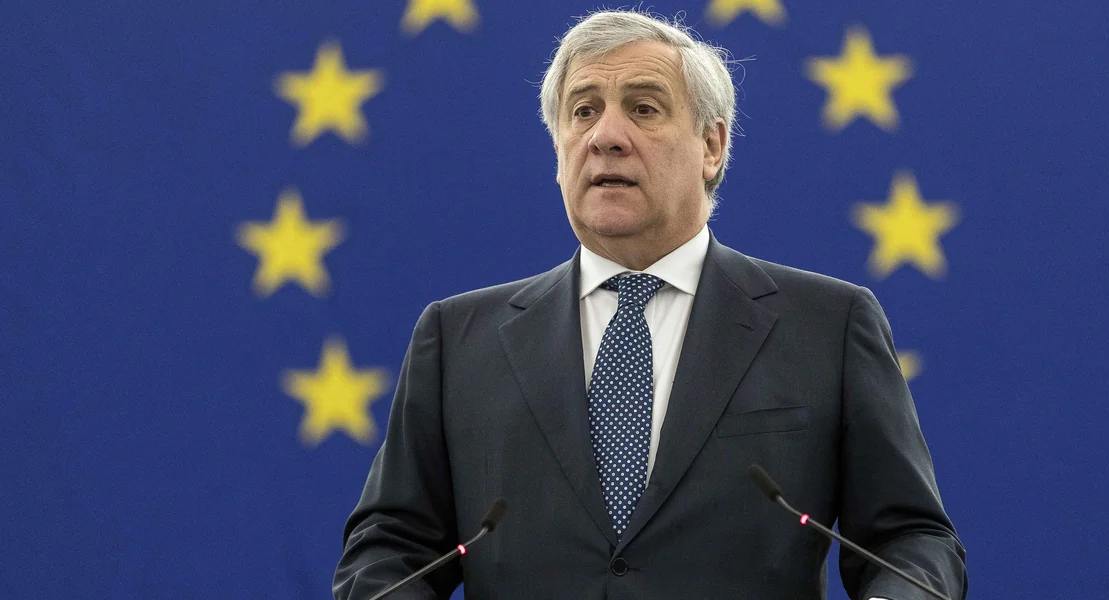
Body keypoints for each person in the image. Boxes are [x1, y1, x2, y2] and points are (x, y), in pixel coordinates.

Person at [334, 9, 967, 600]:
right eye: (583, 111)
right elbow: (390, 548)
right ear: (558, 149)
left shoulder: (828, 325)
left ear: (711, 146)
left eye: (643, 108)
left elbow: (910, 539)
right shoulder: (457, 338)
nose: (606, 136)